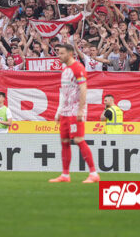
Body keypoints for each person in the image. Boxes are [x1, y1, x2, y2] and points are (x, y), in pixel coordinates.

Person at [48, 43, 99, 183]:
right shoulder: (65, 70)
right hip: (65, 111)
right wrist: (59, 111)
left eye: (62, 53)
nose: (59, 55)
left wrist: (81, 109)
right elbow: (63, 93)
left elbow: (83, 89)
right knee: (64, 141)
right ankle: (65, 175)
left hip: (75, 110)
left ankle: (93, 173)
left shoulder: (78, 68)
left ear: (70, 54)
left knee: (78, 139)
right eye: (58, 52)